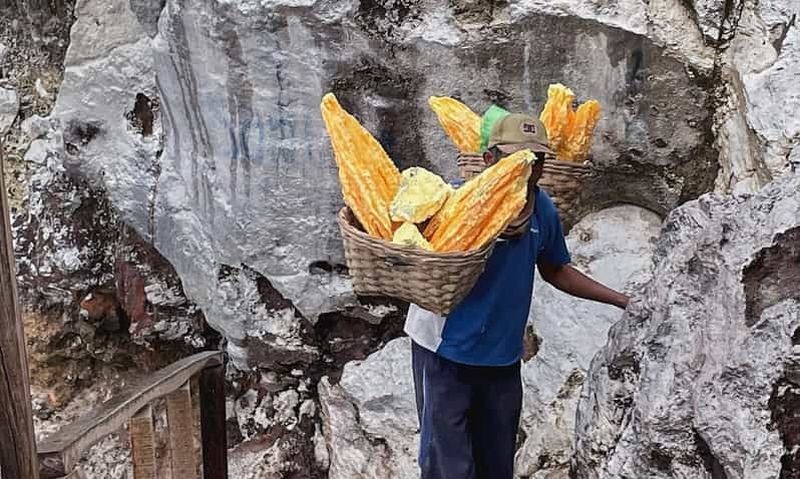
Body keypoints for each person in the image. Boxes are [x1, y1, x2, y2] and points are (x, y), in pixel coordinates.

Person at [405, 111, 630, 479]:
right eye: (517, 157)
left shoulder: (542, 208)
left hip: (501, 361)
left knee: (496, 467)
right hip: (445, 353)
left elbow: (556, 269)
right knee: (448, 467)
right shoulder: (458, 201)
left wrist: (621, 300)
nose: (528, 167)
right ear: (489, 159)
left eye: (536, 159)